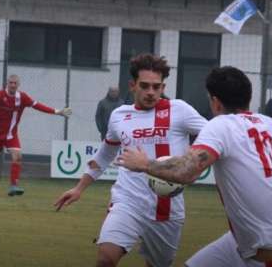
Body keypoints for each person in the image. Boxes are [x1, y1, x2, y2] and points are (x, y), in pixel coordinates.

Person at [117, 66, 272, 267]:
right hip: (243, 244)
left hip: (271, 258)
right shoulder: (267, 123)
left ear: (216, 102)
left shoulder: (219, 125)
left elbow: (187, 171)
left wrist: (145, 164)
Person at [54, 54, 207, 267]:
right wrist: (79, 188)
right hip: (127, 202)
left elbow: (215, 136)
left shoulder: (179, 110)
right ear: (132, 85)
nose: (151, 92)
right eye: (144, 86)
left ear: (163, 87)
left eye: (157, 86)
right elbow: (106, 153)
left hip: (167, 209)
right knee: (106, 259)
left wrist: (195, 156)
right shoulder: (119, 115)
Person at [0, 74, 71, 197]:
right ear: (7, 83)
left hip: (11, 135)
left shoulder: (23, 97)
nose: (13, 85)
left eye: (15, 83)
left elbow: (38, 106)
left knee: (18, 156)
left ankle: (13, 185)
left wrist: (58, 111)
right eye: (11, 83)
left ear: (18, 85)